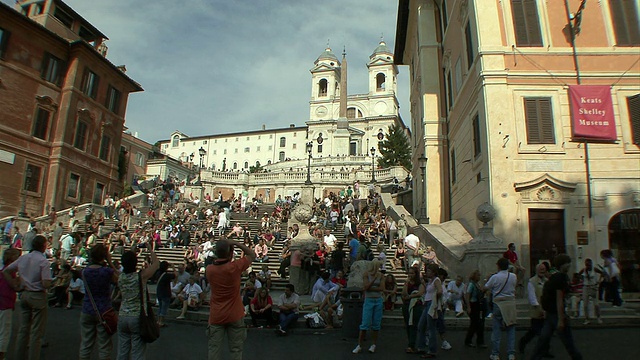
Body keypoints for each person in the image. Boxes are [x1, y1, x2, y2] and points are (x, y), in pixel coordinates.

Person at [3, 235, 52, 360]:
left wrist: (15, 285)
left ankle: (18, 356)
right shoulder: (43, 261)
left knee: (23, 329)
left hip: (24, 293)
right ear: (43, 246)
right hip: (37, 295)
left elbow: (6, 271)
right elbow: (46, 283)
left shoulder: (24, 258)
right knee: (36, 332)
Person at [206, 238, 255, 360]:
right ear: (230, 253)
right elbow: (252, 254)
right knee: (236, 350)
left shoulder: (209, 270)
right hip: (235, 313)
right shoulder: (235, 267)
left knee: (214, 349)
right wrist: (236, 243)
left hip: (216, 314)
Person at [531, 254, 583, 360]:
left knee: (543, 339)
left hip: (550, 312)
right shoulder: (561, 277)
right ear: (563, 264)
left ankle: (534, 358)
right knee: (568, 342)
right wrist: (561, 319)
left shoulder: (554, 276)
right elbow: (559, 298)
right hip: (556, 313)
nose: (569, 265)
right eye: (568, 263)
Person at [117, 249, 159, 360]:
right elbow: (156, 264)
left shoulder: (120, 277)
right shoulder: (141, 276)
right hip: (137, 315)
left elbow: (112, 268)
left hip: (122, 314)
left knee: (122, 350)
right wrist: (151, 249)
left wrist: (108, 259)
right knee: (138, 352)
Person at [79, 244, 119, 360]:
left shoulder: (85, 272)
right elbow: (119, 280)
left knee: (86, 344)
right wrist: (110, 263)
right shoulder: (107, 272)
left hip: (87, 308)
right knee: (104, 346)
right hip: (104, 310)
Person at [484, 257, 518, 360]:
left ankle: (495, 354)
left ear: (498, 266)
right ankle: (511, 353)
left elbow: (485, 288)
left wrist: (488, 278)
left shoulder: (495, 277)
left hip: (498, 303)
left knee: (496, 329)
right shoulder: (513, 276)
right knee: (511, 328)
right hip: (510, 303)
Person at [352, 260, 386, 354]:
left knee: (376, 323)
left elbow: (382, 288)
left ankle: (373, 344)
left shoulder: (381, 275)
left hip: (378, 300)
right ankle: (359, 345)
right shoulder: (366, 274)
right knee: (365, 323)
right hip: (369, 300)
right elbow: (365, 287)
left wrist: (371, 288)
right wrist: (374, 280)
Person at [518, 263, 551, 357]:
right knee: (534, 331)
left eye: (543, 269)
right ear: (536, 270)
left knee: (546, 332)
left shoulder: (547, 281)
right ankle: (523, 343)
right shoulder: (531, 282)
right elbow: (532, 298)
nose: (542, 271)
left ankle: (545, 351)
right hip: (536, 310)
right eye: (540, 269)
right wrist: (539, 308)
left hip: (546, 309)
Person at [414, 263, 443, 358]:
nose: (427, 272)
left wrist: (435, 299)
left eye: (429, 271)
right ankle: (421, 347)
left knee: (431, 328)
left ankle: (432, 350)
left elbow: (440, 291)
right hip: (427, 304)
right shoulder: (430, 281)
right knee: (421, 325)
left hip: (431, 304)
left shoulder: (436, 280)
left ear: (434, 272)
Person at [0, 248, 20, 360]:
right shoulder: (8, 272)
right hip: (5, 304)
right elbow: (14, 286)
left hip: (4, 303)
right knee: (5, 331)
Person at [402, 266, 425, 354]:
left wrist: (411, 296)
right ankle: (411, 343)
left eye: (412, 273)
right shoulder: (407, 283)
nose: (410, 275)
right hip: (406, 305)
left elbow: (420, 293)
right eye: (409, 273)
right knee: (408, 325)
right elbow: (403, 294)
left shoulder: (420, 283)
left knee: (413, 325)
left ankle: (412, 345)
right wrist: (406, 284)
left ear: (416, 274)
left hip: (416, 306)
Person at [464, 269, 486, 348]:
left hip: (477, 304)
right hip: (473, 304)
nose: (479, 277)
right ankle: (470, 340)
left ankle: (477, 341)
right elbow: (467, 295)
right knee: (475, 324)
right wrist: (468, 306)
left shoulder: (477, 284)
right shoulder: (471, 284)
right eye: (478, 275)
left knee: (477, 324)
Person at [579, 258, 603, 324]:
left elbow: (602, 273)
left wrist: (599, 281)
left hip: (593, 287)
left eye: (589, 265)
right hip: (586, 287)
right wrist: (581, 280)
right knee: (585, 304)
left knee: (596, 304)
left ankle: (598, 317)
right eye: (587, 265)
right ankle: (587, 318)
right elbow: (578, 275)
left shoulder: (594, 269)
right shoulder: (583, 270)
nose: (588, 266)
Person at [156, 261, 176, 327]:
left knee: (160, 307)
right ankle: (161, 322)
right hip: (165, 293)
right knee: (164, 308)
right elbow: (175, 275)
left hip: (159, 292)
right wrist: (173, 267)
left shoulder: (158, 273)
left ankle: (158, 321)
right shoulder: (166, 275)